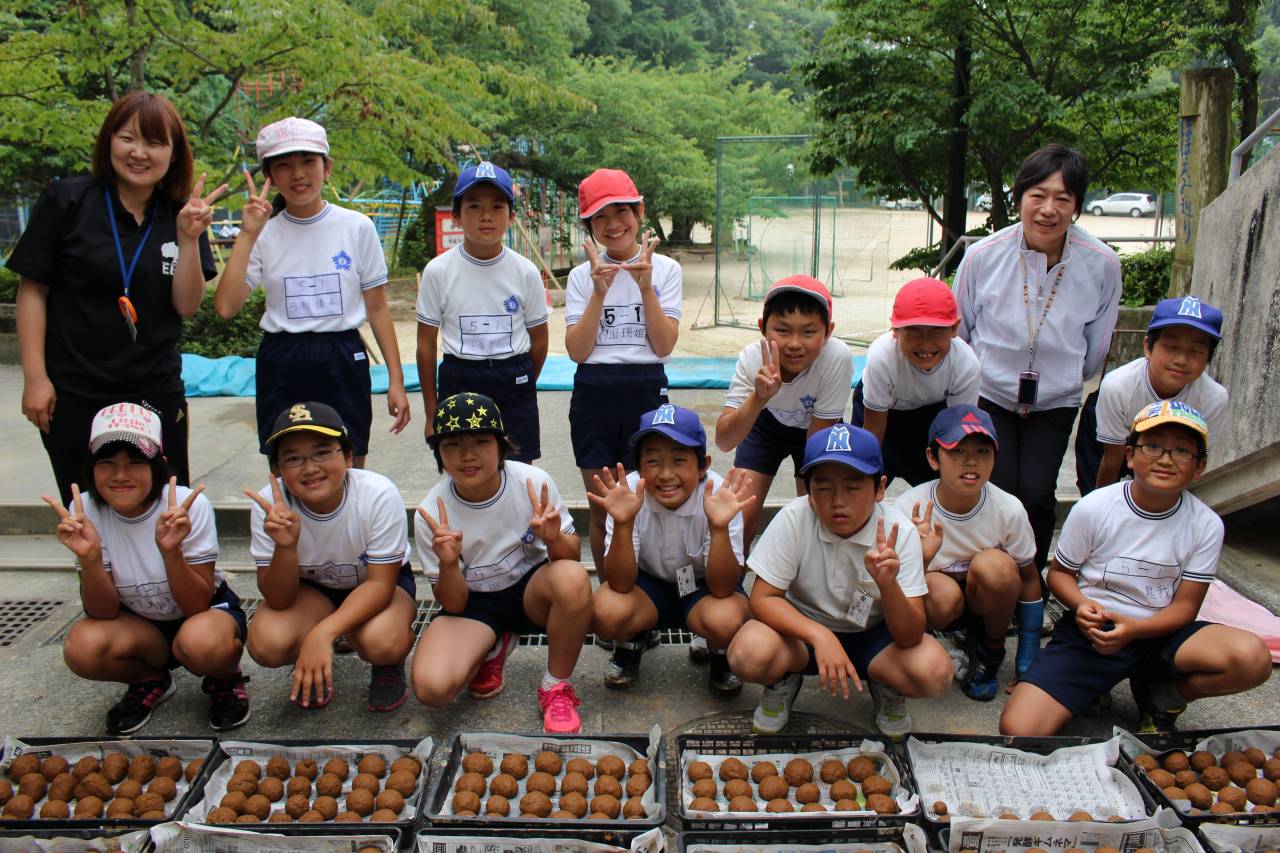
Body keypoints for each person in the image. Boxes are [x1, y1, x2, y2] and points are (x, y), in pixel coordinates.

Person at [1001, 401, 1271, 735]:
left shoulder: (1206, 524)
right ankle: (1093, 685)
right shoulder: (1094, 508)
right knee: (1019, 729)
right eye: (1153, 446)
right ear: (1130, 456)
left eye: (1182, 451)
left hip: (1160, 634)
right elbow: (1059, 575)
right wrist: (1083, 605)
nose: (1166, 459)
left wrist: (1138, 630)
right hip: (1094, 633)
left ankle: (1163, 694)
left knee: (1252, 659)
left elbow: (1186, 606)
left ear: (1199, 467)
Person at [10, 91, 224, 505]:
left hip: (154, 386)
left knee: (165, 507)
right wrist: (36, 379)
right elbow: (33, 291)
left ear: (173, 153)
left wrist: (187, 237)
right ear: (108, 140)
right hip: (76, 391)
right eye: (128, 138)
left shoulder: (181, 212)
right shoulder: (68, 200)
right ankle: (94, 571)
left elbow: (186, 305)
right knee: (87, 507)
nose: (139, 153)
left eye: (155, 143)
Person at [954, 143, 1122, 569]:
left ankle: (1032, 583)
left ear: (1077, 206)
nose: (1048, 209)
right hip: (991, 394)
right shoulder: (983, 256)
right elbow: (961, 330)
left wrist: (1063, 379)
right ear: (1019, 198)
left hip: (1055, 401)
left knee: (1038, 492)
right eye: (1038, 196)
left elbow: (1097, 343)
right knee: (1001, 485)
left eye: (1062, 199)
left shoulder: (1102, 264)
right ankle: (993, 580)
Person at [726, 424, 952, 737]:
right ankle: (782, 679)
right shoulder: (794, 518)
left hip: (873, 636)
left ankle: (887, 686)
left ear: (879, 488)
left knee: (934, 672)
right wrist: (820, 636)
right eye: (823, 486)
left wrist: (889, 586)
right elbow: (762, 598)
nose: (837, 501)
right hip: (802, 636)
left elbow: (911, 634)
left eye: (853, 485)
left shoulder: (900, 532)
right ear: (807, 490)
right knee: (747, 652)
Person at [214, 117, 409, 465]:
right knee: (286, 464)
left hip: (342, 355)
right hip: (282, 359)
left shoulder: (357, 228)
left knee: (349, 462)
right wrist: (246, 234)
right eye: (284, 166)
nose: (298, 174)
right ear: (269, 177)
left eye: (307, 162)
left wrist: (396, 378)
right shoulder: (263, 234)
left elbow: (377, 308)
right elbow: (227, 306)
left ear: (327, 167)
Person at [43, 403, 249, 734]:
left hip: (202, 616)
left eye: (135, 462)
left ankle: (223, 678)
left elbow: (197, 605)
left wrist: (171, 552)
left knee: (205, 645)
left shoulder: (184, 506)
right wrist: (90, 560)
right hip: (141, 625)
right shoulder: (85, 511)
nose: (120, 475)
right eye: (106, 463)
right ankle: (149, 680)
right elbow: (104, 611)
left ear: (160, 466)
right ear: (91, 467)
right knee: (81, 647)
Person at [411, 392, 592, 734]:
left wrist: (553, 537)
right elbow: (453, 603)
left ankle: (555, 686)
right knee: (432, 689)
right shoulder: (431, 513)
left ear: (502, 444)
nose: (467, 455)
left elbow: (569, 558)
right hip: (474, 604)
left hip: (529, 591)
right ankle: (493, 643)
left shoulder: (532, 482)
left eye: (481, 441)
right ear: (438, 454)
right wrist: (448, 564)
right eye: (451, 445)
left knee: (572, 578)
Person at [244, 401, 415, 712]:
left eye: (323, 452)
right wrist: (285, 546)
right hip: (312, 591)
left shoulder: (377, 493)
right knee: (266, 643)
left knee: (383, 641)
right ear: (278, 469)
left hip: (376, 586)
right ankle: (313, 668)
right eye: (293, 458)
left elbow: (380, 585)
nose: (310, 468)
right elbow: (277, 599)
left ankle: (384, 664)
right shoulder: (270, 504)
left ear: (348, 456)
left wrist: (324, 632)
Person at [589, 404, 753, 695]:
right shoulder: (627, 493)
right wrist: (623, 523)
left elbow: (725, 586)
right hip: (648, 586)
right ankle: (632, 642)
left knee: (726, 618)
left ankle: (719, 652)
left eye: (679, 461)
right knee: (606, 611)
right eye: (653, 461)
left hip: (705, 589)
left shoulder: (720, 496)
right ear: (639, 466)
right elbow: (619, 582)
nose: (665, 474)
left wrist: (718, 528)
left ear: (703, 466)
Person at [566, 168, 682, 577]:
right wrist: (598, 293)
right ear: (590, 225)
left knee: (649, 501)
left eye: (621, 211)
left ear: (640, 211)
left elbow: (664, 345)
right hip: (594, 392)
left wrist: (646, 287)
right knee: (602, 506)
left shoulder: (665, 269)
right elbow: (578, 352)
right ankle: (611, 595)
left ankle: (645, 589)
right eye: (600, 217)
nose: (613, 224)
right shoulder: (582, 277)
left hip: (647, 389)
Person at [891, 405, 1041, 701]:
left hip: (989, 599)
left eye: (983, 451)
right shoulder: (909, 507)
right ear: (933, 458)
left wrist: (1029, 660)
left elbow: (1029, 577)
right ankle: (926, 645)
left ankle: (990, 648)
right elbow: (892, 585)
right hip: (941, 601)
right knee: (939, 592)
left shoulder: (1008, 508)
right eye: (957, 451)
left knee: (997, 567)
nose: (971, 461)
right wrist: (921, 557)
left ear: (995, 458)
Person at [415, 161, 548, 462]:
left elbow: (539, 340)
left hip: (513, 377)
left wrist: (522, 380)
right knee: (465, 468)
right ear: (457, 217)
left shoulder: (525, 272)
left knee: (517, 469)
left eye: (497, 207)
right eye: (474, 206)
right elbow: (425, 345)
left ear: (512, 216)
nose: (486, 216)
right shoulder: (438, 271)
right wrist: (430, 410)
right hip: (459, 377)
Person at [715, 275, 853, 553]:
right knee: (742, 510)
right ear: (762, 328)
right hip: (765, 424)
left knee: (817, 511)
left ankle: (809, 586)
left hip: (818, 429)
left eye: (809, 332)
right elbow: (724, 441)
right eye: (782, 330)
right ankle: (732, 585)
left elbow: (815, 447)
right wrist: (758, 397)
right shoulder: (752, 358)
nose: (794, 343)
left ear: (828, 332)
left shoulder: (837, 357)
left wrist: (812, 492)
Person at [1076, 296, 1227, 493]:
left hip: (1168, 447)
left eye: (1196, 351)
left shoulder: (1214, 398)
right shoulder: (1118, 386)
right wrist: (1098, 511)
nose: (1181, 360)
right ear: (1148, 347)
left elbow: (1191, 463)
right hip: (1113, 440)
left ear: (1208, 358)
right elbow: (1111, 460)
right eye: (1171, 347)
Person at [852, 277, 980, 486]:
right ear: (895, 330)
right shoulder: (882, 356)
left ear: (955, 328)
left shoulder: (966, 364)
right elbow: (873, 430)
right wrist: (866, 479)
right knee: (865, 479)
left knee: (939, 484)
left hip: (930, 415)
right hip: (881, 414)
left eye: (937, 332)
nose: (926, 344)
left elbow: (957, 430)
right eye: (913, 332)